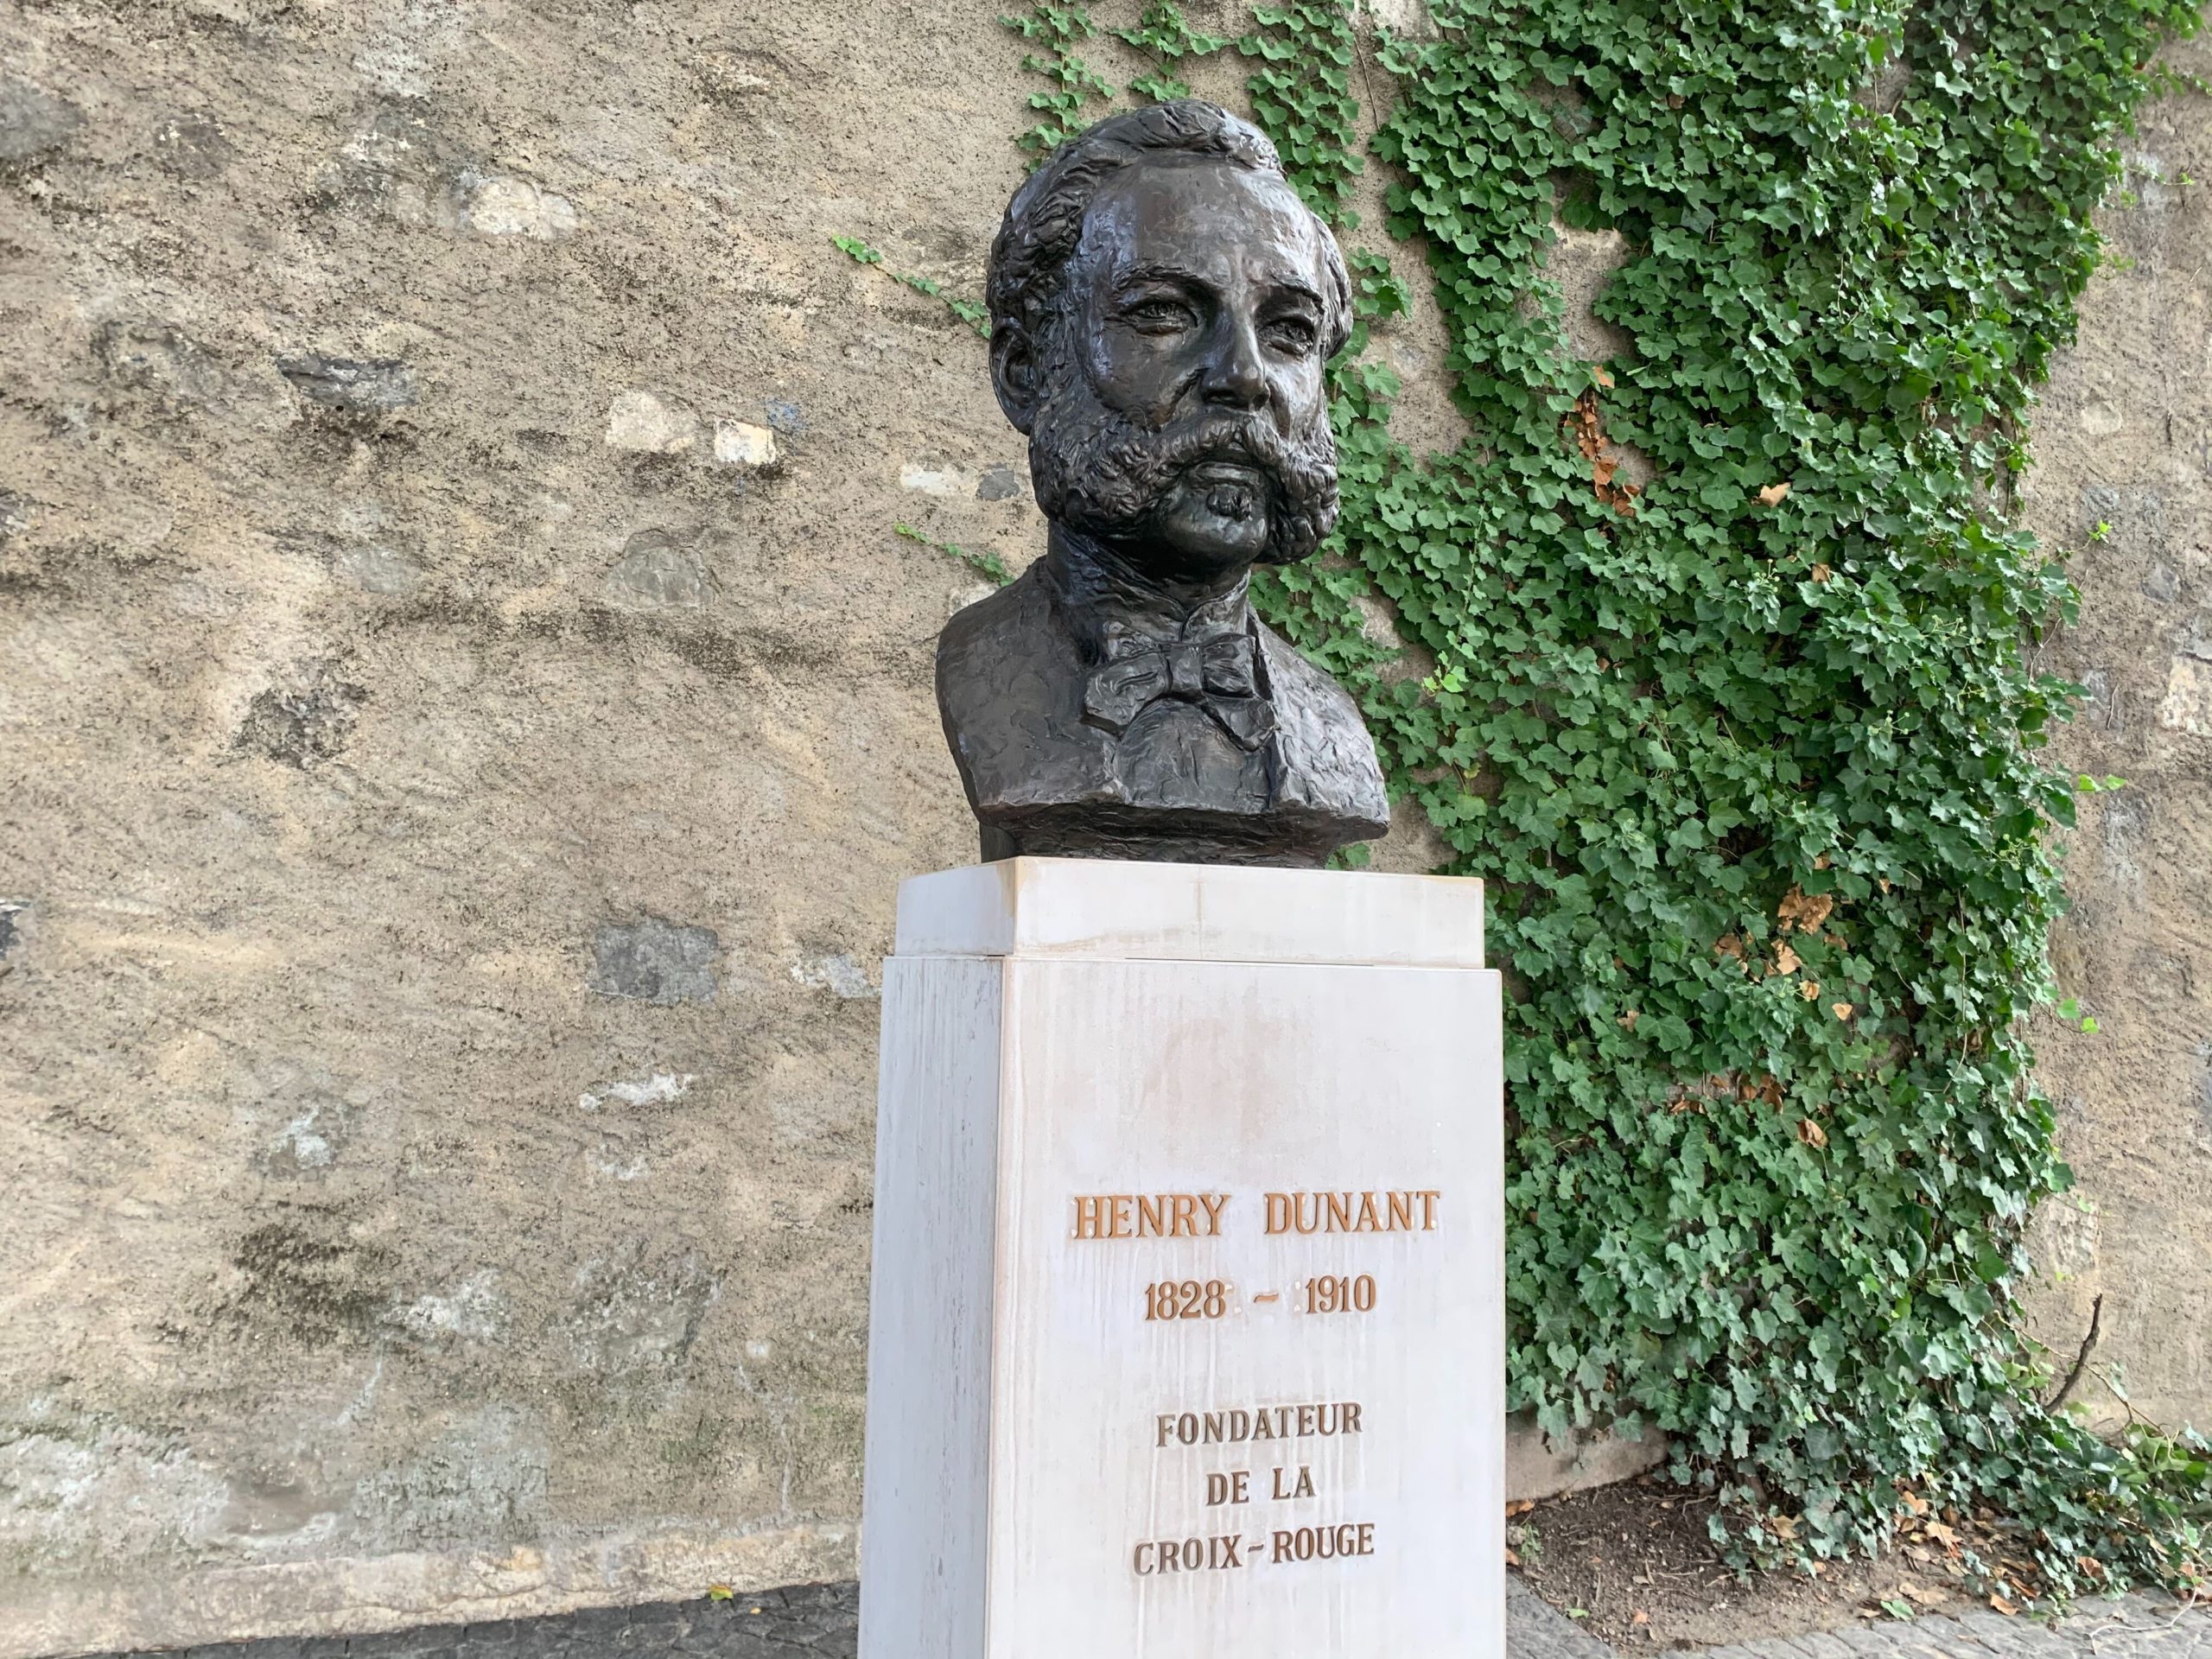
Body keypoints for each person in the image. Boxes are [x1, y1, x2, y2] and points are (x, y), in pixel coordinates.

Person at [936, 100, 1390, 867]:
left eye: (1288, 331)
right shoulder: (985, 672)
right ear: (1025, 371)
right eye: (1165, 313)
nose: (1244, 378)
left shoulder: (1331, 725)